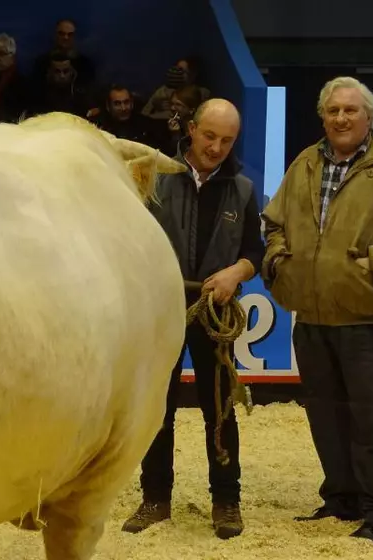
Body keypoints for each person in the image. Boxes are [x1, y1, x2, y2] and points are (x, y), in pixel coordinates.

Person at [261, 76, 373, 544]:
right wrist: (280, 260)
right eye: (333, 110)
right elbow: (273, 222)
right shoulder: (303, 163)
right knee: (326, 415)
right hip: (313, 318)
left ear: (369, 118)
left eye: (350, 111)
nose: (341, 118)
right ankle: (340, 498)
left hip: (369, 318)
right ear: (323, 116)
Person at [121, 98, 265, 540]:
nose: (216, 147)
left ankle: (226, 502)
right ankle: (155, 498)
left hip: (214, 308)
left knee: (219, 408)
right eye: (209, 136)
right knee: (156, 408)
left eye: (226, 140)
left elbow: (254, 251)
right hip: (162, 308)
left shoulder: (241, 188)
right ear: (192, 129)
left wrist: (235, 272)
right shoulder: (156, 177)